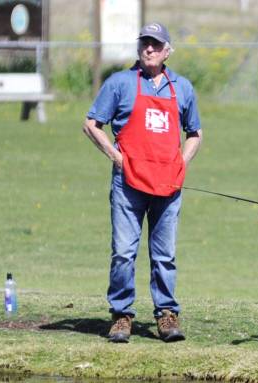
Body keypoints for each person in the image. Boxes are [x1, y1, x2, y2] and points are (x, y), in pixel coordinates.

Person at [83, 22, 202, 344]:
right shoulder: (119, 83)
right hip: (128, 185)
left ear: (167, 51)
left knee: (164, 255)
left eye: (156, 44)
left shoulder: (183, 87)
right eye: (145, 43)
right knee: (123, 253)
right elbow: (91, 124)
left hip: (168, 186)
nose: (150, 48)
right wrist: (116, 157)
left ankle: (166, 315)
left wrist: (181, 163)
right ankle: (121, 315)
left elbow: (195, 133)